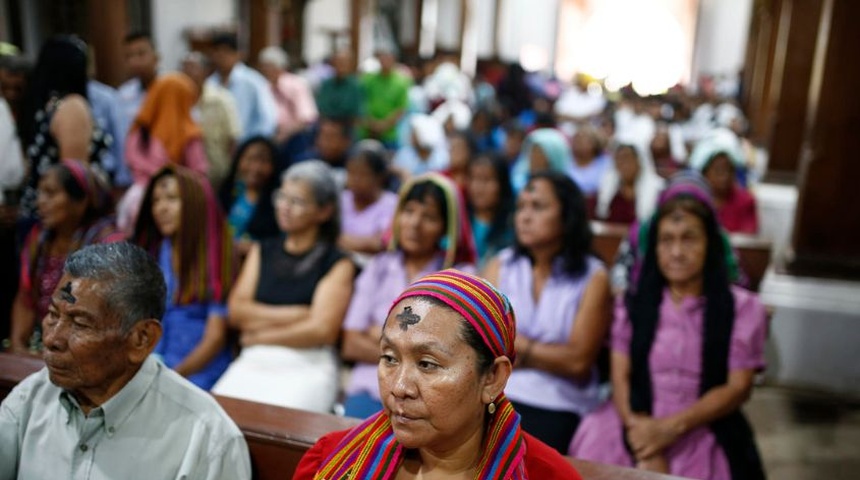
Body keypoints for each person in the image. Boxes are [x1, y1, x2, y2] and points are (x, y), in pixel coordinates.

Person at [295, 269, 583, 479]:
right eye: (389, 358)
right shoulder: (334, 459)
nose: (399, 387)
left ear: (493, 377)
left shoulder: (547, 475)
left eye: (427, 364)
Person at [569, 175, 767, 480]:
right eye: (666, 240)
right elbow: (620, 375)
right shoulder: (633, 304)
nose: (676, 252)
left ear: (710, 244)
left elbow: (738, 387)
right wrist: (641, 438)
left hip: (702, 422)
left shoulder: (741, 307)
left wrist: (666, 430)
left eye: (689, 238)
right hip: (632, 415)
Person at [0, 243, 251, 479]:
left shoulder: (207, 438)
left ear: (142, 339)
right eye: (53, 315)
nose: (53, 338)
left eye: (80, 324)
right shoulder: (30, 398)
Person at [482, 171, 612, 453]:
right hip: (497, 392)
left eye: (538, 207)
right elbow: (482, 342)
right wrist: (545, 354)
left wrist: (516, 349)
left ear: (567, 216)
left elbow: (577, 362)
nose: (525, 217)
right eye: (521, 207)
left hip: (559, 401)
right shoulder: (502, 265)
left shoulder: (593, 276)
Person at [212, 160, 355, 412]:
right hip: (254, 359)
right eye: (282, 197)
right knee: (216, 414)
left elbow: (322, 331)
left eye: (297, 201)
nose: (284, 207)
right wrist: (298, 314)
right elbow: (236, 311)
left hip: (307, 363)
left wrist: (259, 335)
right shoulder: (262, 250)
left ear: (324, 211)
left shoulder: (337, 262)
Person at [341, 173, 477, 418]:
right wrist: (421, 356)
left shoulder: (460, 277)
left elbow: (452, 353)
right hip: (370, 385)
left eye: (429, 217)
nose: (415, 223)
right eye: (409, 211)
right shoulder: (380, 266)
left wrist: (382, 338)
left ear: (446, 227)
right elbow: (350, 342)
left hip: (429, 395)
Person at [132, 166, 236, 390]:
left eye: (171, 199)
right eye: (156, 201)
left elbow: (215, 338)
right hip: (156, 362)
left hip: (200, 371)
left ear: (194, 203)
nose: (161, 208)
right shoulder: (158, 250)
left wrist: (170, 377)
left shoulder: (217, 254)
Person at [10, 160, 123, 354]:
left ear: (80, 201)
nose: (40, 202)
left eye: (51, 193)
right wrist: (19, 346)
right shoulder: (40, 238)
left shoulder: (107, 243)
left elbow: (107, 315)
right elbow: (25, 298)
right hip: (41, 342)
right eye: (40, 193)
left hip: (85, 350)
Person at [18, 36, 110, 222]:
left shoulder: (51, 105)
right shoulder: (70, 107)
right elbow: (74, 177)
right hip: (61, 218)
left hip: (46, 212)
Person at [116, 73, 208, 233]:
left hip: (135, 203)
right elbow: (199, 174)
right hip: (178, 205)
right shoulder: (190, 134)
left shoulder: (138, 132)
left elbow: (131, 163)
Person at [182, 51, 243, 190]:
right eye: (184, 68)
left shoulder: (221, 99)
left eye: (192, 67)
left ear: (206, 71)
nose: (187, 73)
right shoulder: (178, 102)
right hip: (188, 177)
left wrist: (231, 172)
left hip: (218, 175)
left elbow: (233, 138)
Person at [208, 33, 278, 141]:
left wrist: (254, 145)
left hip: (247, 146)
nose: (221, 57)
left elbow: (268, 118)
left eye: (226, 52)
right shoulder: (210, 83)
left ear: (237, 54)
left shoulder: (253, 82)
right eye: (217, 52)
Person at [218, 136, 280, 257]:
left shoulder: (278, 201)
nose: (255, 168)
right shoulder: (228, 191)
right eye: (250, 159)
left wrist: (253, 248)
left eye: (263, 161)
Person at [690, 129, 758, 234]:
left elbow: (748, 239)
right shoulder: (694, 201)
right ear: (705, 173)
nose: (725, 176)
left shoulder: (745, 200)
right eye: (719, 170)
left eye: (729, 170)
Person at [338, 140, 398, 259]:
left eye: (362, 174)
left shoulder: (392, 204)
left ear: (380, 177)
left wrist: (340, 241)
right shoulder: (341, 199)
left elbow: (380, 243)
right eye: (351, 172)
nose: (355, 180)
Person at [258, 46, 318, 161]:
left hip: (295, 139)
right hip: (269, 139)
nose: (265, 70)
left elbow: (307, 117)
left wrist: (284, 135)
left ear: (280, 67)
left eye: (269, 66)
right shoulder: (263, 87)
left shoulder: (296, 84)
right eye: (263, 66)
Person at [593, 142, 664, 224]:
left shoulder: (657, 189)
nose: (623, 163)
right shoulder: (608, 187)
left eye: (627, 158)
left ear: (639, 161)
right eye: (619, 159)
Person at [467, 153, 515, 270]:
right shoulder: (459, 221)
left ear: (502, 184)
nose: (478, 187)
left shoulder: (512, 226)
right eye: (474, 178)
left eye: (486, 180)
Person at [358, 47, 411, 148]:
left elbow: (401, 109)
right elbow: (361, 102)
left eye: (388, 59)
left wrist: (383, 125)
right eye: (383, 59)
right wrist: (371, 123)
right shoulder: (368, 80)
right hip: (367, 130)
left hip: (389, 134)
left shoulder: (401, 82)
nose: (385, 62)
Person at [117, 32, 160, 137]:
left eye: (141, 54)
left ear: (156, 57)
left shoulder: (172, 89)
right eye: (129, 56)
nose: (135, 61)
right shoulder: (122, 95)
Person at [510, 128, 574, 193]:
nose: (533, 158)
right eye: (532, 152)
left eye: (539, 153)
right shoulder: (518, 182)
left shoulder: (565, 190)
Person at [391, 114, 449, 180]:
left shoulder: (442, 157)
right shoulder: (405, 153)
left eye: (414, 134)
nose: (411, 137)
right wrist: (400, 171)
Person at [315, 49, 363, 123]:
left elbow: (357, 112)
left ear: (350, 65)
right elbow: (322, 108)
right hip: (328, 125)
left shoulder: (356, 86)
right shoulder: (326, 85)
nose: (341, 66)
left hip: (348, 127)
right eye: (338, 63)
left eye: (344, 63)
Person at [569, 124, 611, 197]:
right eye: (575, 139)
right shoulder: (566, 163)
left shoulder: (607, 163)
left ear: (595, 143)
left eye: (582, 140)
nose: (577, 142)